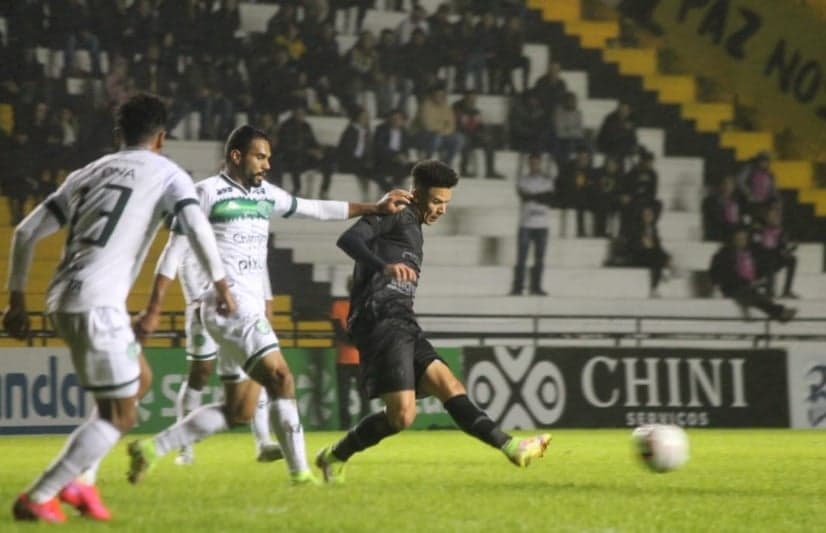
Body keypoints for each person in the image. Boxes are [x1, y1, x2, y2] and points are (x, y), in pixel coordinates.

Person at [126, 125, 412, 486]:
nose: (266, 164)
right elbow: (173, 251)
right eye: (260, 157)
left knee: (239, 410)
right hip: (225, 303)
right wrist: (153, 308)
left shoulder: (265, 195)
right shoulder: (206, 193)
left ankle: (151, 448)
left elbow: (313, 208)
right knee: (281, 377)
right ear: (236, 156)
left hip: (244, 308)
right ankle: (301, 475)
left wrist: (373, 206)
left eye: (268, 158)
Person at [4, 93, 235, 523]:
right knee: (122, 413)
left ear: (118, 134)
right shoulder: (168, 173)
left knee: (141, 380)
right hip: (97, 305)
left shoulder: (87, 172)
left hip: (62, 299)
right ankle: (39, 496)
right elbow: (197, 227)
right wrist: (222, 285)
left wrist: (16, 300)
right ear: (162, 137)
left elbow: (24, 232)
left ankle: (82, 482)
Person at [315, 160, 551, 484]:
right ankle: (334, 456)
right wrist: (383, 266)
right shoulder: (395, 212)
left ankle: (512, 447)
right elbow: (349, 240)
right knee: (402, 415)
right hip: (379, 318)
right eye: (436, 201)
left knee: (445, 390)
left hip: (402, 319)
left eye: (446, 204)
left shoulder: (415, 227)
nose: (441, 209)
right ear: (417, 193)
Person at [155, 228, 283, 467]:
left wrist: (267, 301)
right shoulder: (198, 216)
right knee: (200, 373)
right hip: (204, 306)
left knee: (256, 369)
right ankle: (186, 449)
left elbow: (257, 264)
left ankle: (263, 442)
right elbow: (180, 257)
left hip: (241, 307)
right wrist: (194, 298)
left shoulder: (244, 221)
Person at [709, 225, 796, 322]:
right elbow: (719, 274)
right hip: (732, 287)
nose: (742, 241)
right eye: (739, 238)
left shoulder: (751, 251)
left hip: (750, 285)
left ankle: (750, 306)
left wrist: (782, 257)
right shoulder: (724, 254)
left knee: (754, 290)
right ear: (733, 239)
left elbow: (766, 261)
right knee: (749, 293)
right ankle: (780, 312)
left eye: (744, 238)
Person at [510, 153, 555, 296]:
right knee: (521, 258)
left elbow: (548, 198)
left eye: (537, 162)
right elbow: (524, 196)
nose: (534, 165)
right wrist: (538, 196)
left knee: (539, 258)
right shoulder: (523, 180)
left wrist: (532, 197)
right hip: (526, 224)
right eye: (532, 163)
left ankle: (536, 287)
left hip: (542, 224)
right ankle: (518, 287)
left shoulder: (547, 181)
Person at [330, 281, 369, 430]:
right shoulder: (365, 307)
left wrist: (352, 340)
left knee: (347, 396)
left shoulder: (338, 306)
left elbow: (339, 333)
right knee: (360, 396)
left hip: (346, 359)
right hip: (356, 359)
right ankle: (361, 428)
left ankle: (346, 427)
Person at [452, 90, 503, 179]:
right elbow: (455, 125)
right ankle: (464, 170)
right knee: (465, 141)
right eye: (471, 98)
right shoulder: (457, 109)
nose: (473, 100)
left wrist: (483, 133)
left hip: (473, 136)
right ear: (465, 98)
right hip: (460, 135)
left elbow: (480, 126)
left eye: (474, 98)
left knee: (488, 142)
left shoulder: (475, 111)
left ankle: (490, 171)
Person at [753, 203, 798, 299]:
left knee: (792, 260)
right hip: (759, 262)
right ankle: (769, 291)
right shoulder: (759, 229)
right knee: (769, 258)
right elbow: (757, 247)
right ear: (766, 216)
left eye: (778, 216)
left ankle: (786, 291)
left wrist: (788, 251)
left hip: (773, 260)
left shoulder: (780, 231)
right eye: (773, 215)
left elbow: (781, 249)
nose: (776, 218)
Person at [627, 204, 672, 298]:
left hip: (652, 255)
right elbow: (637, 245)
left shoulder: (654, 229)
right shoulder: (637, 228)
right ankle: (658, 282)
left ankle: (654, 287)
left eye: (650, 214)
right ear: (642, 216)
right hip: (639, 255)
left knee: (660, 256)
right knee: (657, 257)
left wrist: (667, 256)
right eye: (646, 215)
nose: (649, 217)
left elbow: (657, 246)